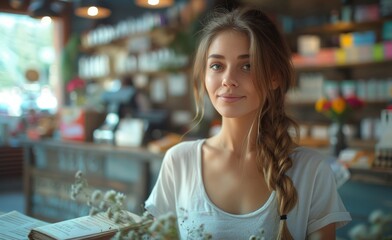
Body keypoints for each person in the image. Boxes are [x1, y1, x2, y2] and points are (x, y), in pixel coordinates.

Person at [145, 7, 351, 240]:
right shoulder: (179, 161)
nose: (228, 80)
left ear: (275, 77)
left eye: (247, 66)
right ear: (204, 74)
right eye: (216, 65)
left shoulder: (311, 171)